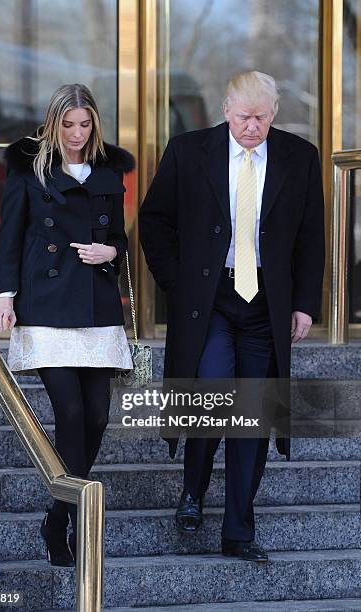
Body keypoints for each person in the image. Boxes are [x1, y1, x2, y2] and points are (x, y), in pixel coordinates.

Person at [139, 71, 324, 562]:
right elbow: (154, 221)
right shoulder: (187, 150)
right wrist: (179, 287)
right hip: (211, 298)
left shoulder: (299, 157)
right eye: (244, 117)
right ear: (226, 110)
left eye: (262, 118)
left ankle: (239, 530)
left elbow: (311, 237)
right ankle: (192, 493)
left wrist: (305, 303)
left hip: (267, 301)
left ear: (274, 114)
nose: (252, 127)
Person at [0, 83, 134, 566]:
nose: (76, 134)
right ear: (53, 123)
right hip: (48, 305)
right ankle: (66, 520)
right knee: (70, 414)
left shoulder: (110, 172)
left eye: (85, 124)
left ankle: (57, 512)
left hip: (96, 302)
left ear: (95, 124)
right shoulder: (29, 169)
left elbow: (120, 238)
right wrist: (6, 297)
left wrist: (111, 251)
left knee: (97, 417)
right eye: (68, 124)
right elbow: (9, 237)